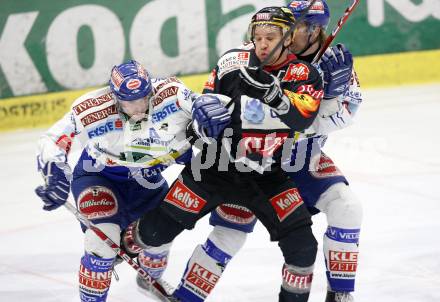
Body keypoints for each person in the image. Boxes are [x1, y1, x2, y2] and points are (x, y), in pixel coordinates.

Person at [135, 1, 363, 302]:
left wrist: (332, 95)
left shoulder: (334, 63)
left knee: (347, 208)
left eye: (301, 26)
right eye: (289, 25)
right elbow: (216, 102)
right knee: (231, 230)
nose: (291, 33)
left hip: (301, 157)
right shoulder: (256, 51)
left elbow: (341, 118)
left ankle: (340, 295)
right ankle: (182, 290)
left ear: (316, 29)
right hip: (247, 159)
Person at [34, 59, 198, 302]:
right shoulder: (93, 108)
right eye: (130, 101)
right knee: (101, 244)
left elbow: (204, 107)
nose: (139, 107)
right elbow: (54, 139)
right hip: (99, 178)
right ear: (115, 96)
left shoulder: (171, 95)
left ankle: (149, 279)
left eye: (144, 97)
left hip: (147, 183)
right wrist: (54, 170)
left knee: (162, 235)